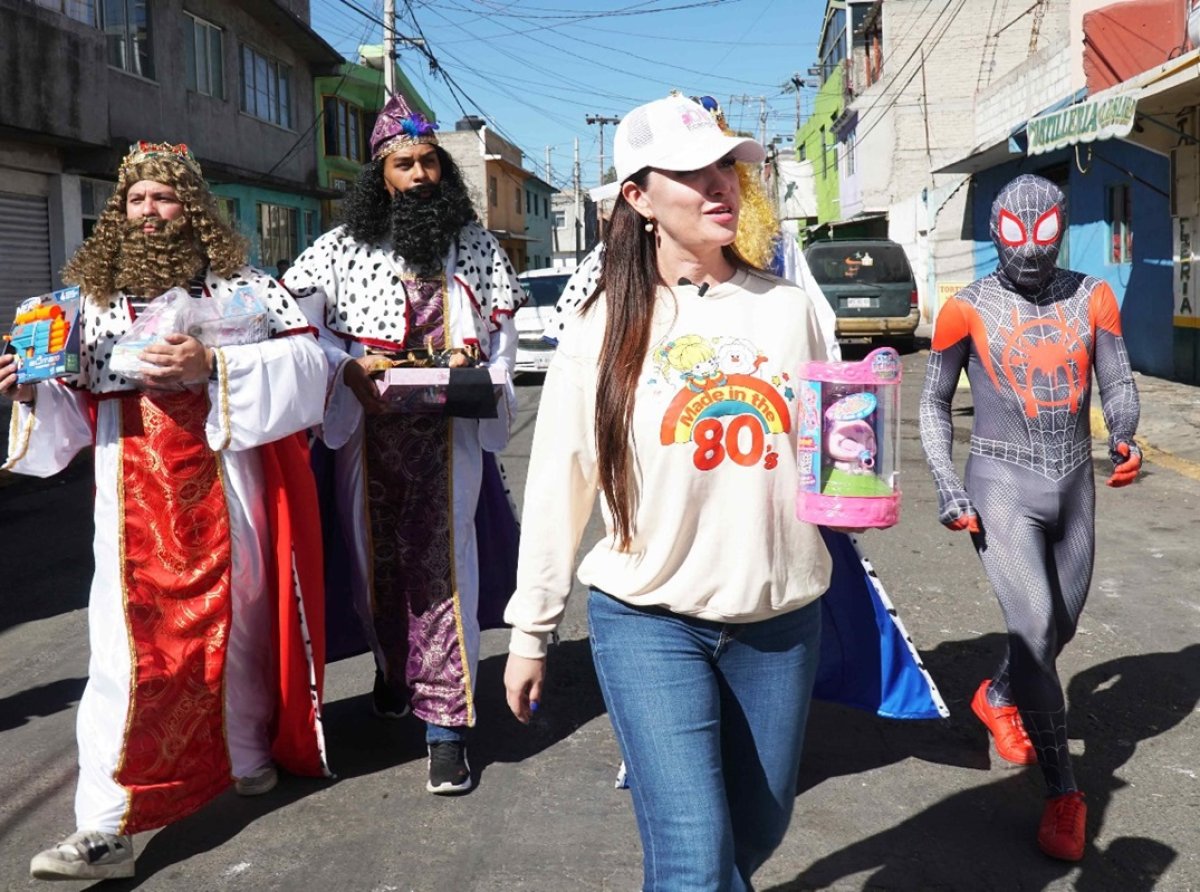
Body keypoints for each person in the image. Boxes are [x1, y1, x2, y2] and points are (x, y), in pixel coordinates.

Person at [502, 94, 834, 891]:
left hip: (779, 620)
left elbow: (832, 451)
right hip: (648, 619)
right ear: (639, 197)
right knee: (690, 857)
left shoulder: (789, 309)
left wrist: (857, 480)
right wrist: (531, 629)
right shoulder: (602, 324)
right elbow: (559, 481)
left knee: (755, 832)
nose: (720, 184)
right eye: (691, 171)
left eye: (726, 165)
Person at [1, 142, 330, 882]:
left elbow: (314, 366)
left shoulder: (246, 287)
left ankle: (244, 753)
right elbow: (67, 407)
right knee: (125, 649)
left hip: (227, 478)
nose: (150, 212)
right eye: (137, 199)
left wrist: (211, 366)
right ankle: (106, 820)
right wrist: (27, 391)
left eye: (166, 198)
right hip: (129, 495)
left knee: (237, 628)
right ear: (120, 211)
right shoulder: (84, 304)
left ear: (194, 211)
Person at [284, 93, 521, 795]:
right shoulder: (337, 250)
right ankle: (394, 672)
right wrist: (347, 365)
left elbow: (503, 343)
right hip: (369, 433)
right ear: (380, 175)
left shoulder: (477, 248)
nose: (419, 176)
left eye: (429, 163)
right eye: (404, 164)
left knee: (443, 570)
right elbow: (298, 329)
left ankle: (446, 728)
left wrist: (479, 371)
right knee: (373, 566)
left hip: (450, 440)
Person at [918, 173, 1141, 862]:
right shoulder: (966, 307)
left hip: (1075, 484)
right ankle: (1065, 793)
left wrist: (1125, 433)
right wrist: (950, 486)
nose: (1030, 249)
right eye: (1016, 234)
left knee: (1060, 626)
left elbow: (1119, 379)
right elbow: (931, 402)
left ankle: (1001, 691)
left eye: (1043, 233)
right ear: (995, 233)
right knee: (1036, 623)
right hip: (1000, 484)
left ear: (1062, 228)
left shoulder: (1093, 296)